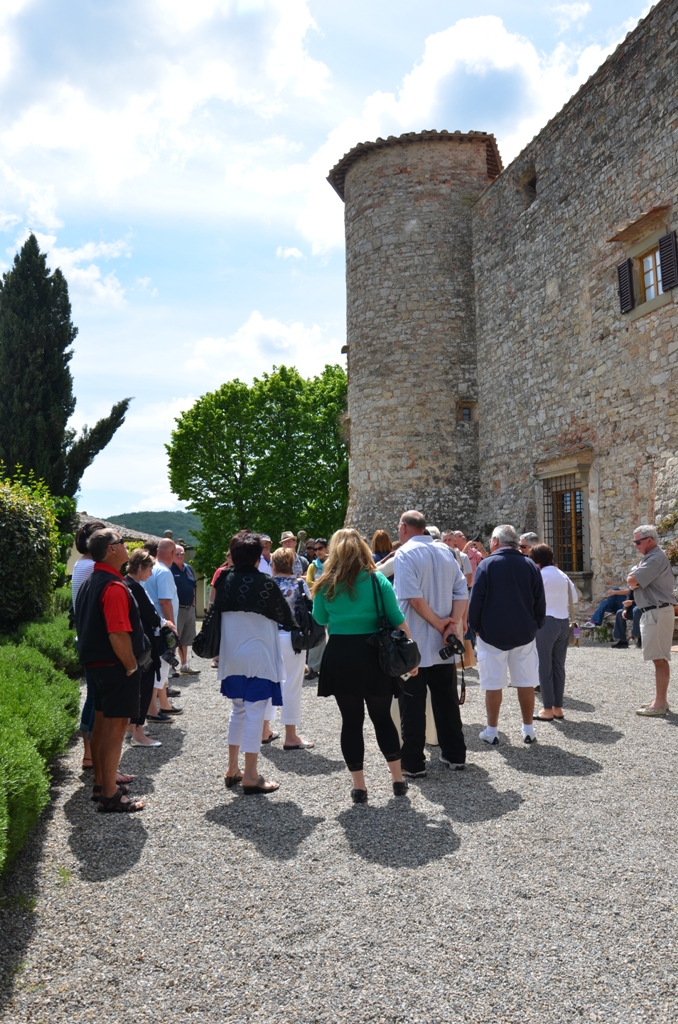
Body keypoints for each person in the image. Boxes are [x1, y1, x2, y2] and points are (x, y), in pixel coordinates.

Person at [312, 528, 412, 803]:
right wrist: (410, 653)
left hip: (341, 655)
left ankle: (359, 787)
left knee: (351, 722)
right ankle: (397, 780)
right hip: (374, 655)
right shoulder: (377, 580)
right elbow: (396, 618)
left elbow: (320, 619)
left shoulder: (325, 584)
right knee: (382, 719)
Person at [217, 531, 297, 794]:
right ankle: (250, 775)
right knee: (254, 712)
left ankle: (232, 769)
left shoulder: (225, 580)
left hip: (232, 655)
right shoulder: (264, 582)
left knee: (238, 710)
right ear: (256, 557)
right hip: (260, 655)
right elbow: (286, 616)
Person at [74, 529, 145, 812]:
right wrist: (130, 665)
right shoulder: (113, 586)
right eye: (122, 543)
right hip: (115, 667)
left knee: (102, 727)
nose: (127, 547)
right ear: (111, 550)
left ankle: (102, 785)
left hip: (96, 666)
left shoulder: (91, 581)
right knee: (115, 731)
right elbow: (118, 633)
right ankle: (110, 796)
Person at [393, 510, 468, 775]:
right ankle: (455, 754)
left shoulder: (404, 554)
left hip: (414, 643)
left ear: (403, 528)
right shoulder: (445, 552)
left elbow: (412, 597)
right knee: (446, 701)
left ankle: (413, 764)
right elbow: (462, 591)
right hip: (442, 643)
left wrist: (440, 623)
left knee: (412, 704)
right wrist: (451, 624)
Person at [469, 524, 546, 745]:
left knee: (493, 683)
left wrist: (475, 627)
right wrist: (536, 624)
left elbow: (477, 600)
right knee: (525, 682)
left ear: (495, 541)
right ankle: (528, 729)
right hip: (523, 632)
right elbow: (540, 600)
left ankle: (492, 731)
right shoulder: (529, 565)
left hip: (491, 633)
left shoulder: (487, 565)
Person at [627, 525, 675, 716]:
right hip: (654, 611)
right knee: (658, 658)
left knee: (659, 659)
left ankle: (661, 703)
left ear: (649, 540)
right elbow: (633, 579)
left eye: (638, 541)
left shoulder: (655, 558)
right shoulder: (650, 558)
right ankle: (659, 699)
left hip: (657, 611)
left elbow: (631, 581)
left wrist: (634, 574)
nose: (635, 545)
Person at [271, 547, 314, 749]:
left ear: (274, 564)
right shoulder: (299, 584)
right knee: (292, 686)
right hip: (292, 639)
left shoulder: (267, 584)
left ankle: (264, 730)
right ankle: (291, 736)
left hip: (269, 638)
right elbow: (309, 608)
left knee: (268, 683)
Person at [529, 544, 577, 722]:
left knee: (544, 667)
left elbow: (530, 598)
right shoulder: (562, 574)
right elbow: (576, 597)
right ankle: (558, 707)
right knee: (558, 667)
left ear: (536, 559)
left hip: (546, 622)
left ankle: (547, 709)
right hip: (564, 622)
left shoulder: (539, 575)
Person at [71, 519, 105, 771]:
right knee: (97, 699)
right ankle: (94, 755)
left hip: (84, 637)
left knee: (92, 697)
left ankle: (89, 755)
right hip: (95, 638)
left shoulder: (80, 564)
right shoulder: (93, 566)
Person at [142, 538, 183, 720]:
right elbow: (165, 601)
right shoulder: (165, 572)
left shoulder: (151, 569)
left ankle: (164, 704)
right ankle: (152, 709)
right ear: (173, 553)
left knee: (161, 669)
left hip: (150, 627)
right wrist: (172, 627)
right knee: (161, 668)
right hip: (161, 629)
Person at [170, 545, 200, 675]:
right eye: (177, 554)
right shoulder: (169, 569)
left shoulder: (188, 568)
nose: (180, 556)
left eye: (182, 553)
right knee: (174, 639)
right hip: (177, 609)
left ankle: (184, 664)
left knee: (186, 638)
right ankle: (171, 667)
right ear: (172, 555)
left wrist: (193, 601)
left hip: (189, 608)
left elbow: (193, 585)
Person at [305, 538, 329, 679]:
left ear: (326, 548)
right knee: (317, 635)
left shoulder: (334, 563)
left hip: (333, 603)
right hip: (318, 603)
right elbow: (309, 582)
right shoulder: (313, 566)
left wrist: (319, 584)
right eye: (315, 549)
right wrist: (325, 584)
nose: (317, 552)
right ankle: (314, 667)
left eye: (320, 548)